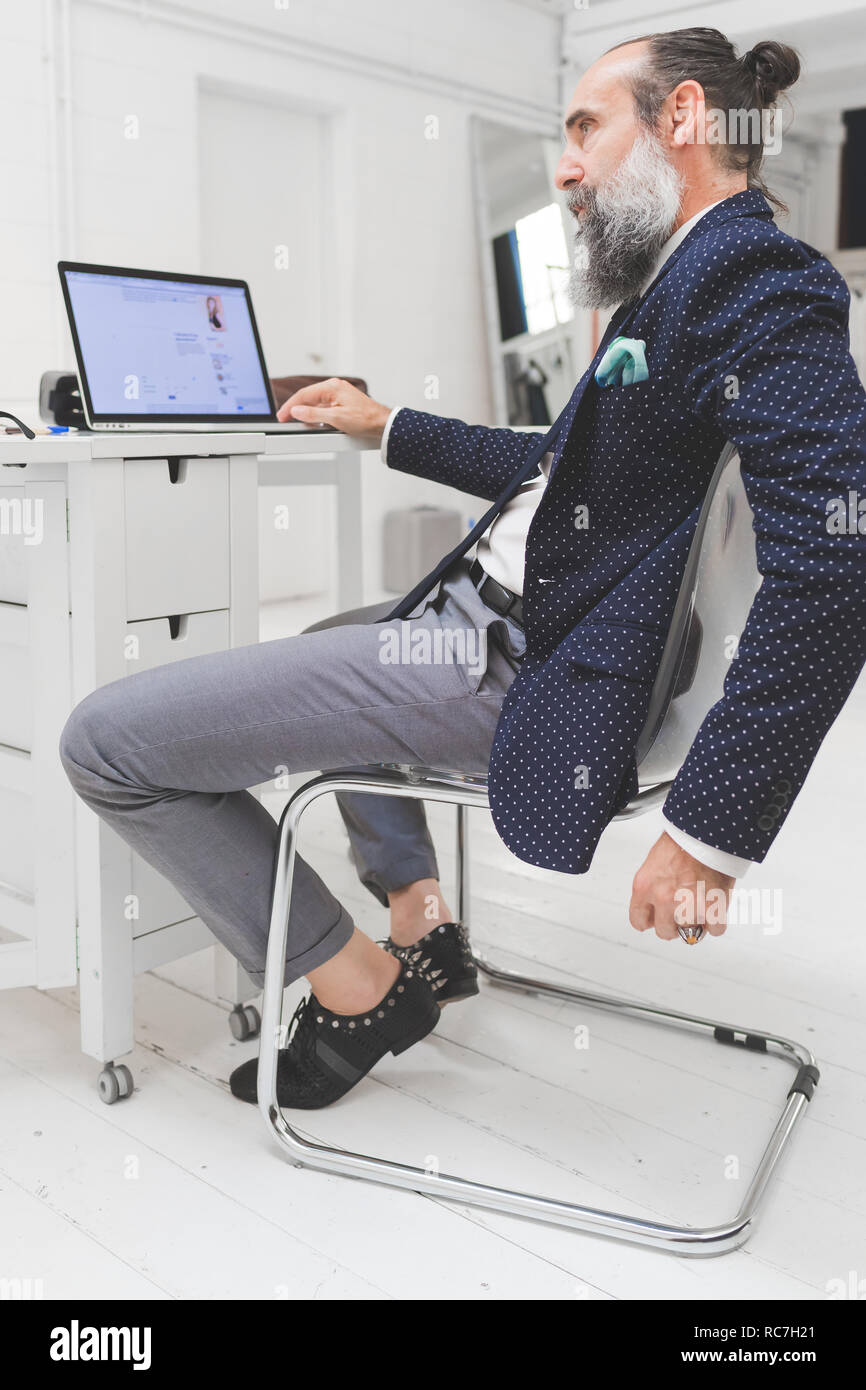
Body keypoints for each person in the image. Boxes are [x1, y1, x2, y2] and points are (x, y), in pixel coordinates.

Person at [59, 27, 866, 1110]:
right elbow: (559, 474)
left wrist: (709, 831)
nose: (564, 165)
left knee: (106, 743)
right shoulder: (680, 282)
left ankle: (358, 993)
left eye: (584, 127)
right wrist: (385, 423)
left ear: (679, 118)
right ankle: (419, 919)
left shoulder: (753, 279)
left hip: (520, 662)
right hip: (497, 622)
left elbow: (837, 552)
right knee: (322, 640)